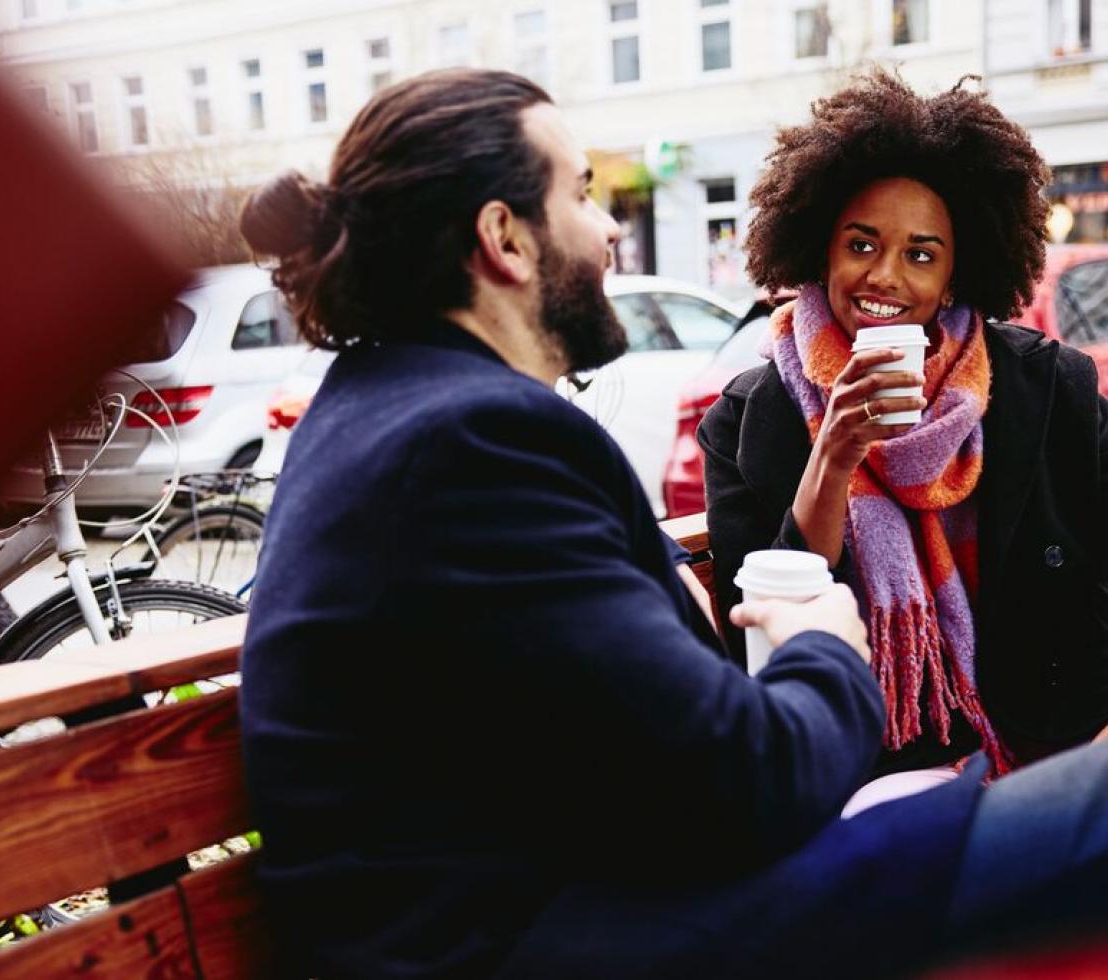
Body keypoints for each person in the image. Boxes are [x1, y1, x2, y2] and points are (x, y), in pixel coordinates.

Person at [239, 69, 1108, 980]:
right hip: (586, 935)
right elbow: (751, 783)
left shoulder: (400, 410)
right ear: (505, 239)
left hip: (601, 896)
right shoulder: (470, 441)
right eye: (579, 194)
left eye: (921, 254)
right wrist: (824, 643)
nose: (611, 227)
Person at [700, 68, 1108, 779]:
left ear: (953, 276)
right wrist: (832, 454)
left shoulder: (1045, 385)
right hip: (868, 765)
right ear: (820, 250)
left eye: (919, 255)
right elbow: (758, 629)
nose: (883, 276)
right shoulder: (748, 417)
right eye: (860, 245)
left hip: (1049, 748)